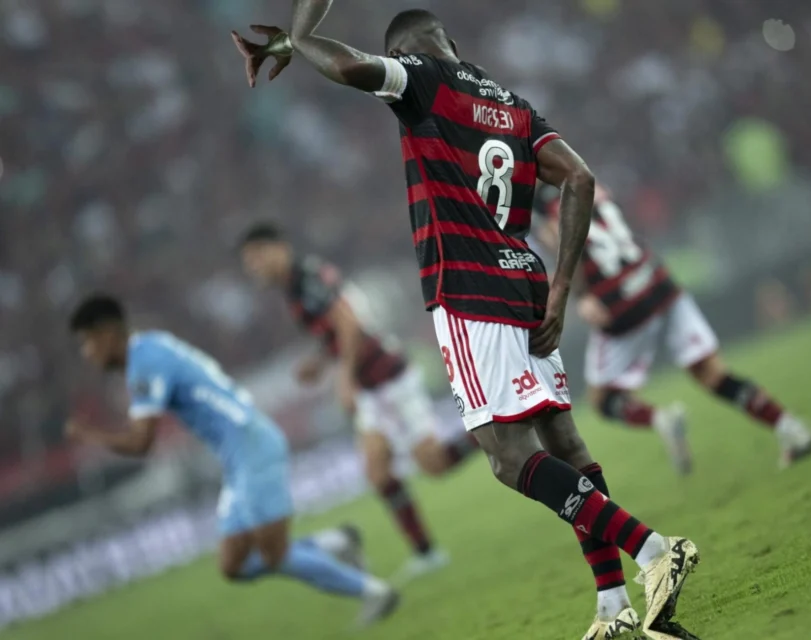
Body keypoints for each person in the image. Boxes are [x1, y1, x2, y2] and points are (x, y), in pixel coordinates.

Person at [232, 7, 699, 639]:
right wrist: (561, 288)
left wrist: (302, 37)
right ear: (451, 41)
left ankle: (651, 551)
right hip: (529, 285)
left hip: (469, 291)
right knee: (564, 443)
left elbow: (346, 66)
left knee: (510, 460)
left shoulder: (421, 79)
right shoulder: (513, 105)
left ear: (407, 50)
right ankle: (613, 607)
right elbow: (581, 179)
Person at [64, 294, 398, 627]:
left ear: (105, 334)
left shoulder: (144, 363)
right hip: (240, 455)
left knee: (274, 555)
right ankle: (337, 542)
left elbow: (141, 442)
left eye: (87, 343)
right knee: (234, 565)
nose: (87, 354)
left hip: (251, 447)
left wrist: (91, 437)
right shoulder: (152, 345)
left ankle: (375, 592)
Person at [239, 222, 479, 581]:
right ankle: (427, 553)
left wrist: (345, 376)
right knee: (378, 472)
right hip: (371, 387)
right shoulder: (293, 288)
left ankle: (498, 429)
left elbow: (348, 322)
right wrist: (320, 361)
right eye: (248, 262)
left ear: (278, 248)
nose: (253, 267)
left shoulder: (307, 277)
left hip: (387, 377)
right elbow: (335, 331)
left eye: (256, 257)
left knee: (434, 464)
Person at [534, 184, 811, 472]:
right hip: (656, 280)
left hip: (619, 301)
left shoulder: (545, 208)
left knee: (603, 399)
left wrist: (582, 295)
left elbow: (563, 241)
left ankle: (661, 419)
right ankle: (791, 428)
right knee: (712, 372)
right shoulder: (587, 181)